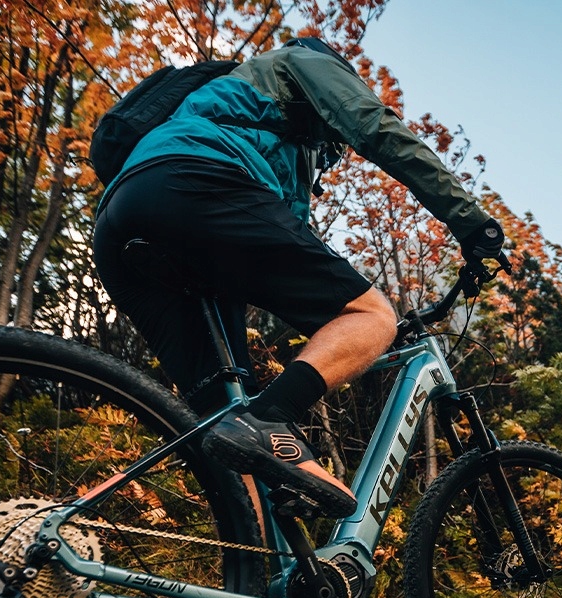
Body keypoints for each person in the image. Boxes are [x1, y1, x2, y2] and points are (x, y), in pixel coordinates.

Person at [92, 37, 506, 519]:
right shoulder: (301, 61)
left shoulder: (250, 125)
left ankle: (256, 559)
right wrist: (471, 223)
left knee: (230, 424)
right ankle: (273, 419)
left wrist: (345, 337)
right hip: (194, 181)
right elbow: (376, 127)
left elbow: (285, 256)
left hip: (120, 220)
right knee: (372, 316)